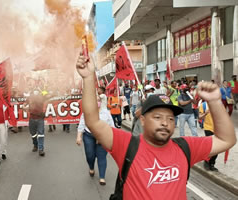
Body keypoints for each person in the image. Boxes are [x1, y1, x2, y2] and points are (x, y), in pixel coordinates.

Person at [76, 54, 236, 199]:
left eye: (170, 118)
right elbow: (93, 121)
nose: (165, 123)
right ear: (143, 120)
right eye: (157, 117)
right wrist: (89, 78)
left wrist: (214, 101)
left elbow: (226, 140)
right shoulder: (126, 145)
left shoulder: (186, 147)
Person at [76, 100, 115, 186]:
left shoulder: (106, 113)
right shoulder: (87, 112)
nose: (97, 102)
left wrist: (112, 138)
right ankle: (91, 167)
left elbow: (112, 126)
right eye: (95, 100)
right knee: (90, 155)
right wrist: (79, 136)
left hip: (102, 137)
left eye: (98, 100)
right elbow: (82, 124)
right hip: (88, 135)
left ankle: (102, 177)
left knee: (102, 156)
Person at [23, 90, 48, 156]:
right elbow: (25, 103)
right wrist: (24, 106)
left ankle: (40, 149)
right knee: (33, 134)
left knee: (41, 133)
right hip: (32, 118)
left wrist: (44, 110)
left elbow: (46, 103)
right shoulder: (30, 97)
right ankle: (35, 145)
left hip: (40, 118)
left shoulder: (42, 97)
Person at [199, 100, 218, 171]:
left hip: (217, 129)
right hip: (208, 128)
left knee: (217, 147)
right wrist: (205, 113)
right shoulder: (203, 105)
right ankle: (206, 162)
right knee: (210, 147)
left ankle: (212, 163)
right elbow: (200, 117)